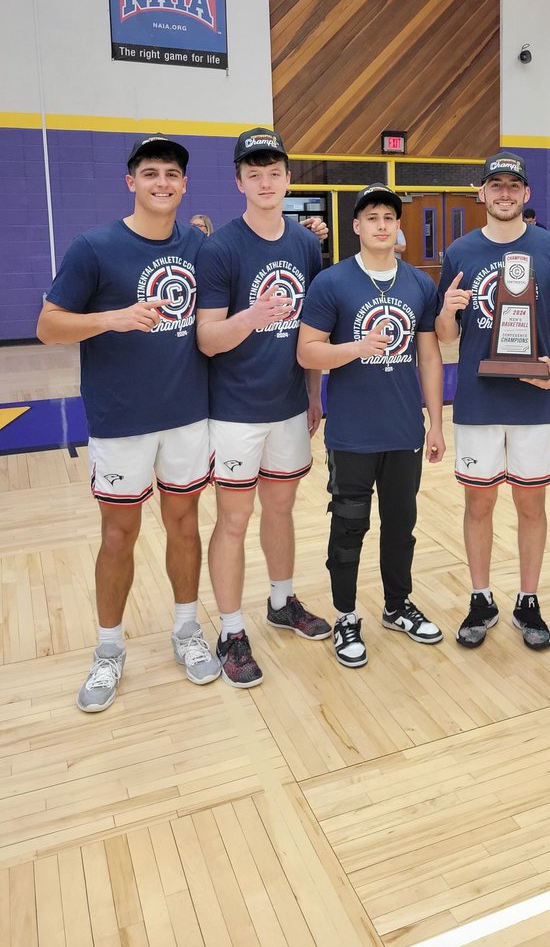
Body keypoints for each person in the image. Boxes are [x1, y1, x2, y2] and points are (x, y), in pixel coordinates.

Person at [36, 135, 220, 712]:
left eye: (171, 174)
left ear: (185, 184)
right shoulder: (94, 248)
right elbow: (47, 326)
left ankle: (188, 631)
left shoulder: (201, 246)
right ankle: (109, 648)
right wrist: (111, 318)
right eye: (150, 173)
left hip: (189, 416)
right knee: (119, 535)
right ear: (131, 182)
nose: (161, 182)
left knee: (185, 526)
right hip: (120, 421)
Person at [196, 127, 330, 688]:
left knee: (280, 511)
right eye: (254, 173)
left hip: (288, 406)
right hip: (234, 409)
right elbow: (208, 340)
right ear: (239, 182)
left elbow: (314, 328)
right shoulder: (221, 247)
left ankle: (281, 601)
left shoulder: (304, 244)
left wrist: (313, 392)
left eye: (274, 171)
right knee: (234, 520)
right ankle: (230, 629)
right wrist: (254, 313)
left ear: (288, 178)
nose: (265, 180)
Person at [436, 152, 550, 650]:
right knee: (478, 503)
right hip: (478, 400)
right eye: (494, 185)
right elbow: (443, 333)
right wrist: (447, 313)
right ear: (481, 193)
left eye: (513, 186)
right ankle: (481, 597)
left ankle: (528, 598)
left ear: (526, 195)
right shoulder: (459, 251)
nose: (504, 193)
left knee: (531, 504)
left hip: (532, 402)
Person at [298, 184, 445, 667]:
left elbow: (428, 354)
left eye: (389, 216)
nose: (382, 224)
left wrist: (437, 424)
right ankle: (345, 615)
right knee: (348, 527)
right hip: (354, 433)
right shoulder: (332, 283)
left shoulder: (419, 284)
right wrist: (357, 348)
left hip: (404, 430)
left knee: (401, 527)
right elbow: (307, 351)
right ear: (356, 226)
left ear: (397, 226)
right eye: (372, 217)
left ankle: (396, 604)